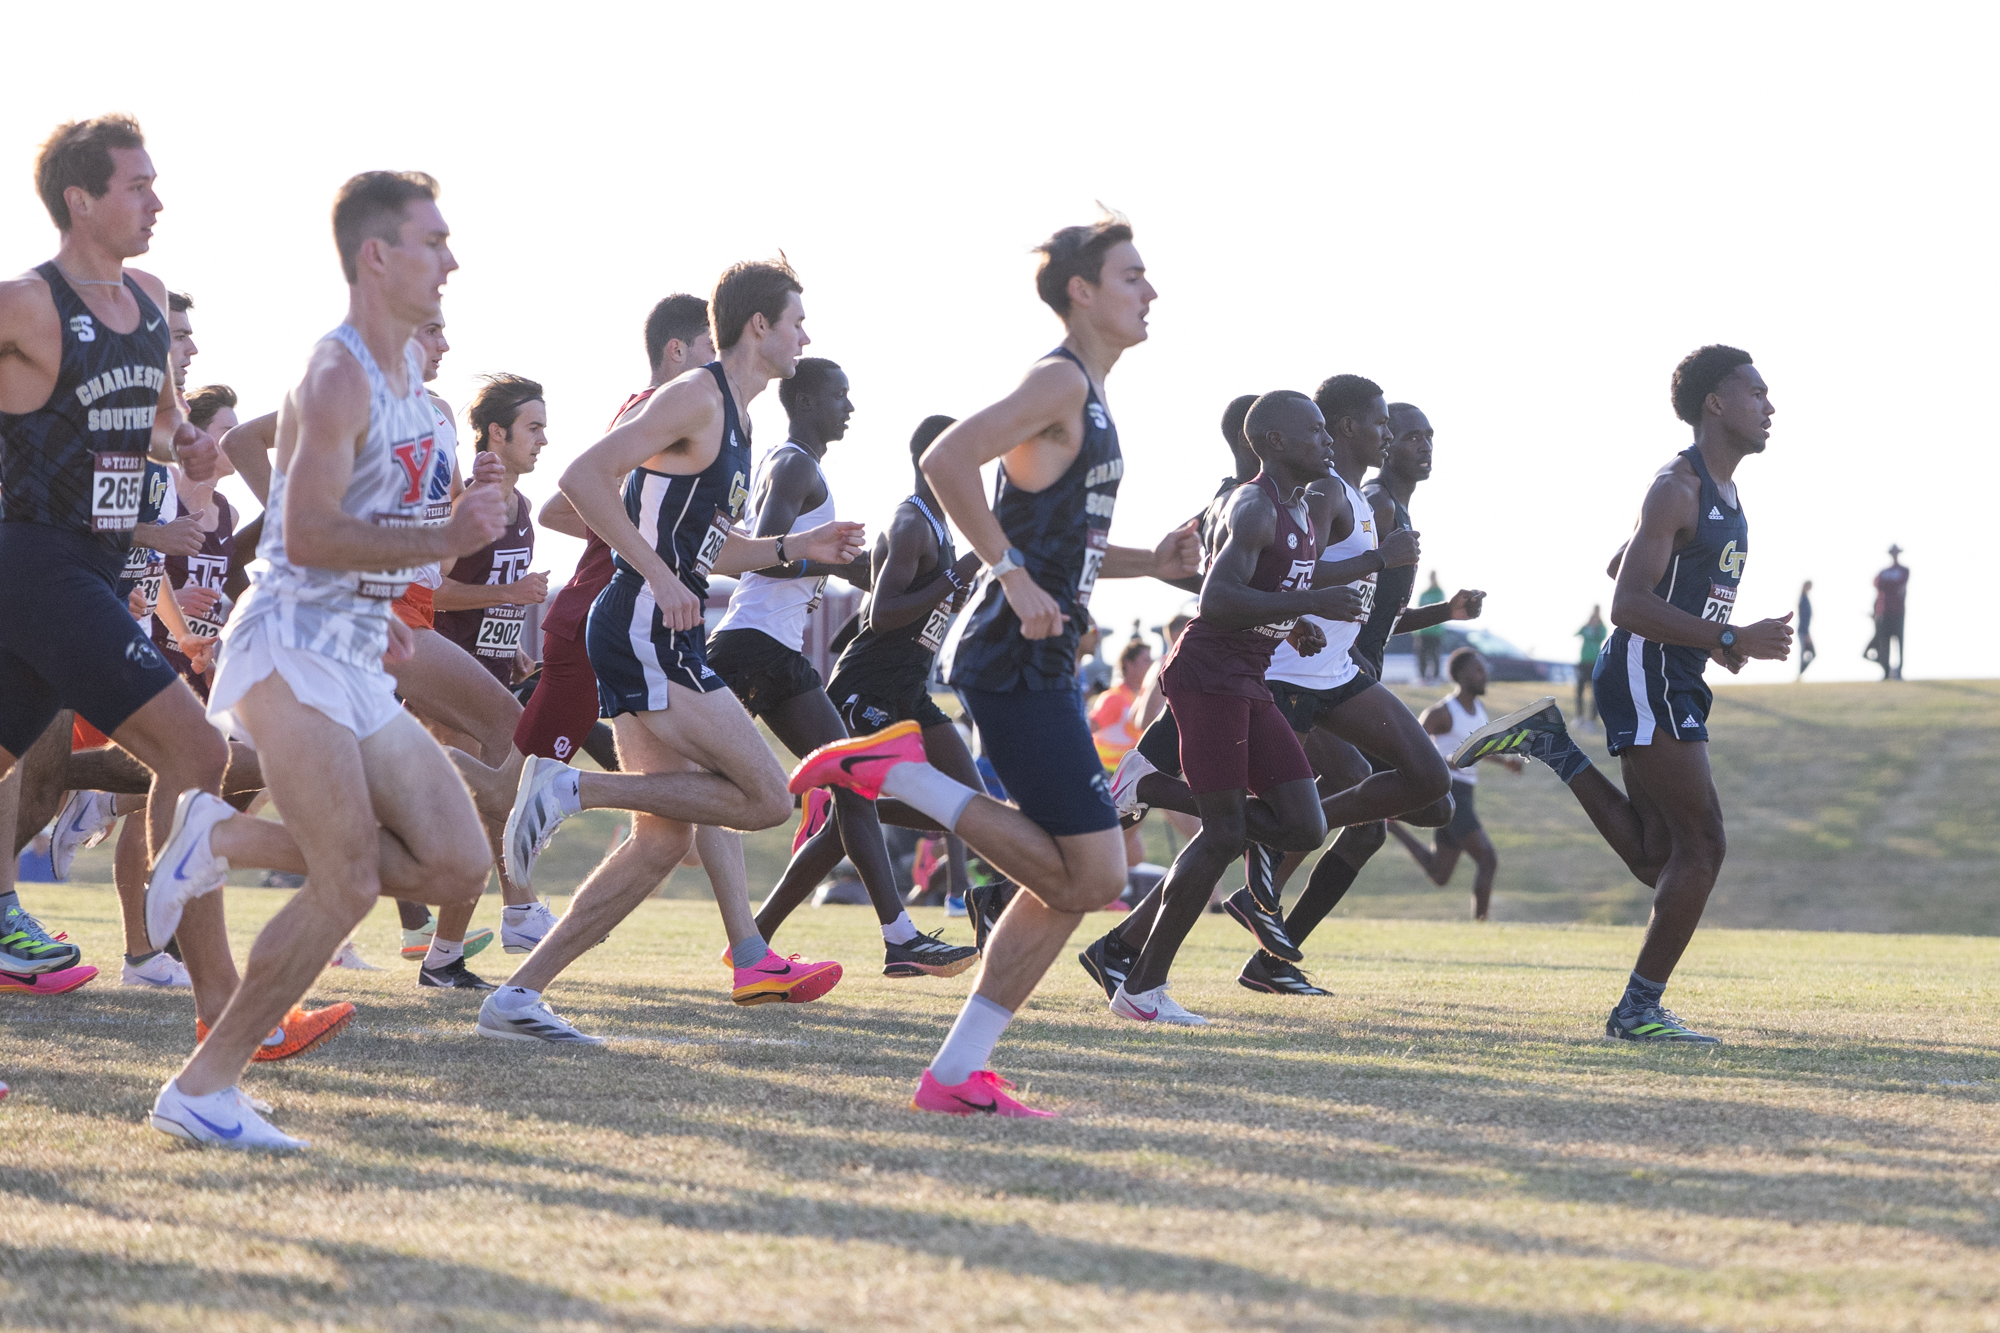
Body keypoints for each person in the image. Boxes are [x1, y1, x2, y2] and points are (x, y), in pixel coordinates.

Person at [787, 215, 1198, 1117]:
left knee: (1066, 881)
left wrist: (1153, 564)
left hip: (1036, 652)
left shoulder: (1086, 393)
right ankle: (894, 772)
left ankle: (954, 1074)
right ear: (1082, 291)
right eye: (1133, 275)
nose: (1151, 292)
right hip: (1014, 656)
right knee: (1091, 878)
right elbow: (944, 459)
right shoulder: (1056, 379)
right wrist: (1009, 578)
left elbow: (1063, 542)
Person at [145, 169, 510, 1147]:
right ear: (375, 256)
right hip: (289, 648)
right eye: (433, 243)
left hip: (354, 654)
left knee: (454, 860)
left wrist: (398, 587)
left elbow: (376, 531)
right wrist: (441, 532)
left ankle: (217, 840)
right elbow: (305, 534)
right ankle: (203, 1088)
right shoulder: (337, 371)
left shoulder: (425, 408)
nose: (451, 260)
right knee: (346, 879)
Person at [486, 258, 864, 1043]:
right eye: (798, 320)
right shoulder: (695, 393)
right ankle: (571, 792)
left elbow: (716, 553)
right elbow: (581, 477)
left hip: (656, 626)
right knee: (767, 798)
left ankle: (516, 996)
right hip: (641, 626)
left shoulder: (740, 418)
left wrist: (801, 545)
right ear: (759, 327)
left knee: (660, 844)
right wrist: (656, 573)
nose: (806, 335)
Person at [1455, 344, 1792, 1044]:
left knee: (1656, 856)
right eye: (1756, 392)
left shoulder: (1719, 494)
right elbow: (1627, 601)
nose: (1771, 405)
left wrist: (1706, 636)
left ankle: (1552, 742)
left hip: (1672, 672)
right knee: (1703, 846)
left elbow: (1627, 559)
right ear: (1716, 403)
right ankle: (1638, 1008)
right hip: (1648, 668)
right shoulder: (1679, 485)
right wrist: (1725, 638)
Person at [0, 116, 252, 1033]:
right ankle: (226, 1015)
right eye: (137, 185)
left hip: (96, 568)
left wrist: (185, 439)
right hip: (36, 563)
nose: (156, 201)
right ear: (81, 199)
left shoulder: (145, 297)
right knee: (200, 754)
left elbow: (160, 421)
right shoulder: (25, 303)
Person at [705, 358, 976, 978]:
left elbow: (802, 558)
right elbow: (762, 557)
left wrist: (854, 564)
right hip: (752, 645)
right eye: (840, 396)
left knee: (851, 785)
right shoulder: (795, 462)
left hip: (776, 653)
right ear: (805, 400)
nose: (849, 408)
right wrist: (816, 553)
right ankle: (574, 785)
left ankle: (899, 939)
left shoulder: (801, 465)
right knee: (665, 781)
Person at [1107, 390, 1352, 1025]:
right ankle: (1142, 989)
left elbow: (1260, 589)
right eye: (1316, 430)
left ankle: (1152, 783)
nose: (1327, 441)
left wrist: (1294, 621)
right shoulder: (1254, 506)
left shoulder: (1298, 507)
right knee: (1223, 834)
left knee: (1305, 825)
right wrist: (1312, 604)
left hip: (1248, 676)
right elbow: (1216, 600)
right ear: (1273, 442)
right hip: (1209, 675)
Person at [754, 413, 991, 953]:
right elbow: (883, 616)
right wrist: (957, 576)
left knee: (973, 809)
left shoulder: (941, 525)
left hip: (909, 692)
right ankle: (764, 929)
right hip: (869, 691)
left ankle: (850, 807)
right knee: (934, 814)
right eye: (969, 459)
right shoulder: (910, 523)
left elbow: (872, 608)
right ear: (937, 462)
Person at [1385, 648, 1521, 920]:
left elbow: (1477, 749)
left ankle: (1391, 825)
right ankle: (1482, 928)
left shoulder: (1478, 710)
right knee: (1487, 859)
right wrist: (1447, 761)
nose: (1484, 676)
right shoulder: (1441, 712)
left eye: (1484, 670)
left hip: (1465, 793)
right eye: (1478, 670)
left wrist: (1504, 761)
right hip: (1450, 792)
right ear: (1461, 675)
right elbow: (1412, 749)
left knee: (1439, 874)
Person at [1869, 547, 1906, 680]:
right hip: (1883, 612)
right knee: (1884, 643)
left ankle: (1899, 672)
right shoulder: (1883, 572)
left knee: (1899, 642)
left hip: (1898, 611)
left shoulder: (1904, 570)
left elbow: (1898, 584)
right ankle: (1886, 672)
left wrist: (1888, 585)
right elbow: (1878, 584)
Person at [1576, 605, 1606, 726]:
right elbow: (1577, 633)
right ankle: (1579, 717)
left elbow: (1601, 637)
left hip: (1594, 662)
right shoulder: (1586, 626)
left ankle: (1592, 720)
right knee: (1579, 691)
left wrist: (1594, 628)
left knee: (1595, 693)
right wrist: (1587, 625)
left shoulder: (1601, 628)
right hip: (1583, 662)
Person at [1414, 572, 1446, 681]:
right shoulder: (1424, 594)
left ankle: (1436, 678)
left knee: (1435, 656)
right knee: (1422, 656)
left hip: (1435, 632)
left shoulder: (1439, 593)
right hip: (1423, 632)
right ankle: (1422, 678)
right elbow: (1418, 612)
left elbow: (1442, 610)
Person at [1797, 580, 1815, 678]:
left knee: (1808, 652)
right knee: (1805, 652)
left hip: (1805, 630)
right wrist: (1806, 634)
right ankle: (1800, 673)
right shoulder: (1803, 599)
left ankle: (1801, 673)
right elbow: (1804, 618)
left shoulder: (1805, 598)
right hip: (1803, 631)